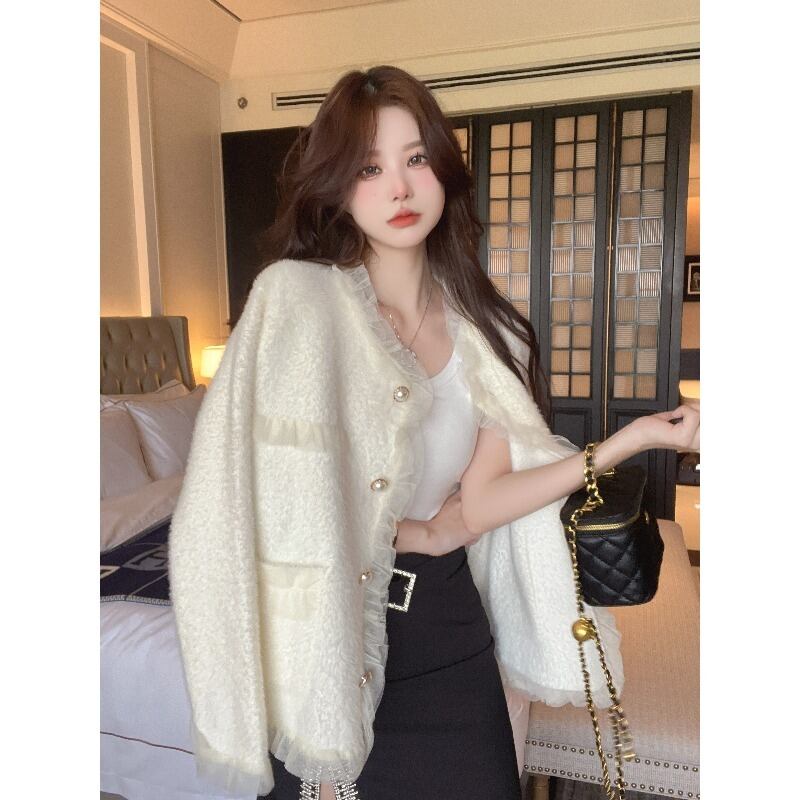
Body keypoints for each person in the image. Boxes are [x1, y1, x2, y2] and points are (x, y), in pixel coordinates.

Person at [169, 66, 699, 800]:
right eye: (369, 167)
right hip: (325, 644)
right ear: (338, 188)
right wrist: (418, 532)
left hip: (448, 633)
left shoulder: (489, 334)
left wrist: (629, 441)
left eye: (415, 158)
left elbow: (479, 504)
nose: (399, 188)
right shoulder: (296, 306)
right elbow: (264, 505)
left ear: (443, 172)